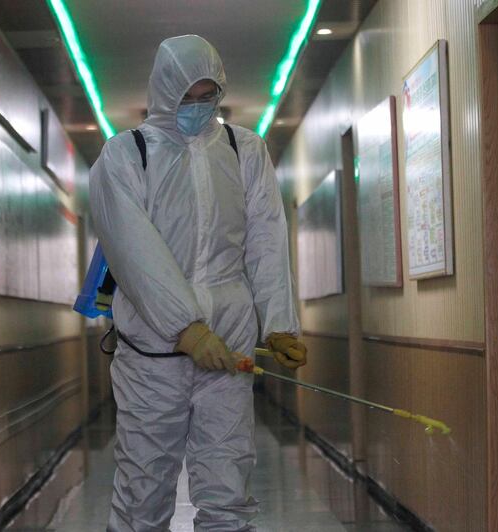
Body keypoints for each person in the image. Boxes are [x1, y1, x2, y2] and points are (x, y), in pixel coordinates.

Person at [89, 34, 307, 531]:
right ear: (163, 91)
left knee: (229, 491)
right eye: (185, 96)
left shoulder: (244, 149)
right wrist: (186, 328)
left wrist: (279, 325)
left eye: (207, 96)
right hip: (153, 356)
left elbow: (267, 238)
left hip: (227, 352)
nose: (196, 107)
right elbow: (134, 252)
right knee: (144, 493)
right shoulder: (126, 156)